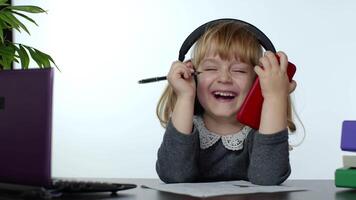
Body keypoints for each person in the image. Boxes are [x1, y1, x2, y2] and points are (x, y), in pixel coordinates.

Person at [155, 20, 297, 185]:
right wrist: (185, 96)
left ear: (257, 82)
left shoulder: (262, 130)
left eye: (239, 70)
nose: (224, 79)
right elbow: (173, 175)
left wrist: (274, 98)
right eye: (210, 69)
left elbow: (268, 178)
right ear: (192, 74)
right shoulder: (186, 127)